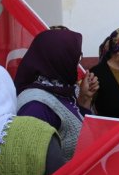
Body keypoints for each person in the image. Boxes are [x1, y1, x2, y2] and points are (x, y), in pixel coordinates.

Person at [15, 28, 98, 160]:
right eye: (76, 57)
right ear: (59, 58)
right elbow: (32, 162)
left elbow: (83, 134)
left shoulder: (64, 91)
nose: (78, 62)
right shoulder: (36, 106)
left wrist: (84, 99)